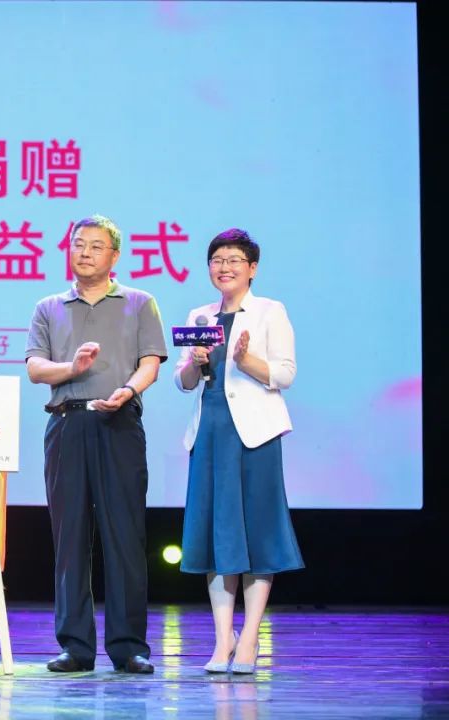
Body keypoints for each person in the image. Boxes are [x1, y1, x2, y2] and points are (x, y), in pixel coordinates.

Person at [25, 214, 168, 674]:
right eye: (78, 244)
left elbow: (150, 363)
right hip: (67, 425)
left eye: (95, 246)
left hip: (119, 423)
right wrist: (73, 368)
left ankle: (128, 646)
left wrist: (127, 390)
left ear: (114, 255)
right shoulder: (49, 306)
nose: (84, 252)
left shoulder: (140, 302)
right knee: (70, 538)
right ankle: (75, 645)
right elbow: (36, 368)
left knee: (125, 535)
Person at [175, 228, 304, 674]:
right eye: (217, 260)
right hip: (210, 432)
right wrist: (195, 362)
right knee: (217, 535)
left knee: (256, 533)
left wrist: (246, 360)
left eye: (233, 260)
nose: (224, 267)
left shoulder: (270, 311)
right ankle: (221, 639)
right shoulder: (200, 316)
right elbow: (183, 382)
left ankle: (249, 638)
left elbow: (285, 374)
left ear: (252, 269)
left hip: (255, 436)